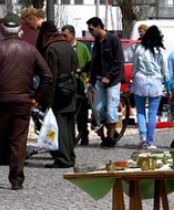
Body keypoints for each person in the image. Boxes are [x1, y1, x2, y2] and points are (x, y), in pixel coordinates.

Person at [0, 14, 51, 190]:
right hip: (23, 100)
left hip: (0, 100)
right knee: (18, 140)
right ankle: (16, 179)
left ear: (3, 29)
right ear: (20, 30)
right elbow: (47, 76)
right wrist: (36, 98)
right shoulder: (30, 49)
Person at [41, 22, 79, 168]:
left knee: (61, 125)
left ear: (46, 35)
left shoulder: (51, 49)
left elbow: (51, 77)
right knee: (69, 126)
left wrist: (48, 100)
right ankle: (70, 156)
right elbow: (75, 67)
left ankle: (63, 158)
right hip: (70, 90)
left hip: (59, 93)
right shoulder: (68, 47)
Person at [86, 17, 124, 148]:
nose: (90, 31)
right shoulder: (96, 42)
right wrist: (85, 69)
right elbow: (95, 62)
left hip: (113, 80)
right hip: (98, 79)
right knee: (97, 109)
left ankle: (110, 137)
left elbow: (118, 61)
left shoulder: (113, 40)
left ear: (99, 26)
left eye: (91, 29)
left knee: (111, 109)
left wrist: (108, 76)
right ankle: (112, 130)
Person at [131, 25, 168, 149]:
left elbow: (134, 67)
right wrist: (167, 85)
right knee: (152, 113)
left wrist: (132, 79)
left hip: (140, 81)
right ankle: (150, 141)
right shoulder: (161, 51)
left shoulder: (139, 48)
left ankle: (143, 135)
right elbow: (165, 70)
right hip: (155, 82)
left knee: (140, 111)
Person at [61, 24, 92, 146]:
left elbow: (89, 63)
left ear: (72, 35)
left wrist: (88, 80)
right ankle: (69, 136)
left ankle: (84, 134)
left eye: (65, 35)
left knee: (82, 112)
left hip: (80, 83)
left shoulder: (82, 48)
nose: (63, 38)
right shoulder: (62, 48)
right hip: (67, 84)